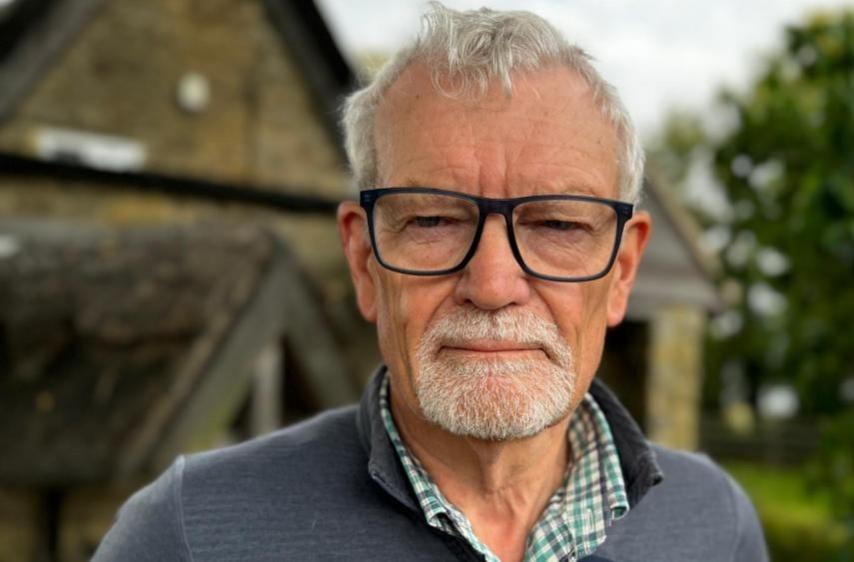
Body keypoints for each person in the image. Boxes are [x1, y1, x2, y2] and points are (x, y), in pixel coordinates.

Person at [94, 3, 768, 561]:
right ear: (364, 259)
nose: (494, 283)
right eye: (435, 220)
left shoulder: (714, 526)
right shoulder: (188, 535)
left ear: (621, 271)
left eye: (558, 226)